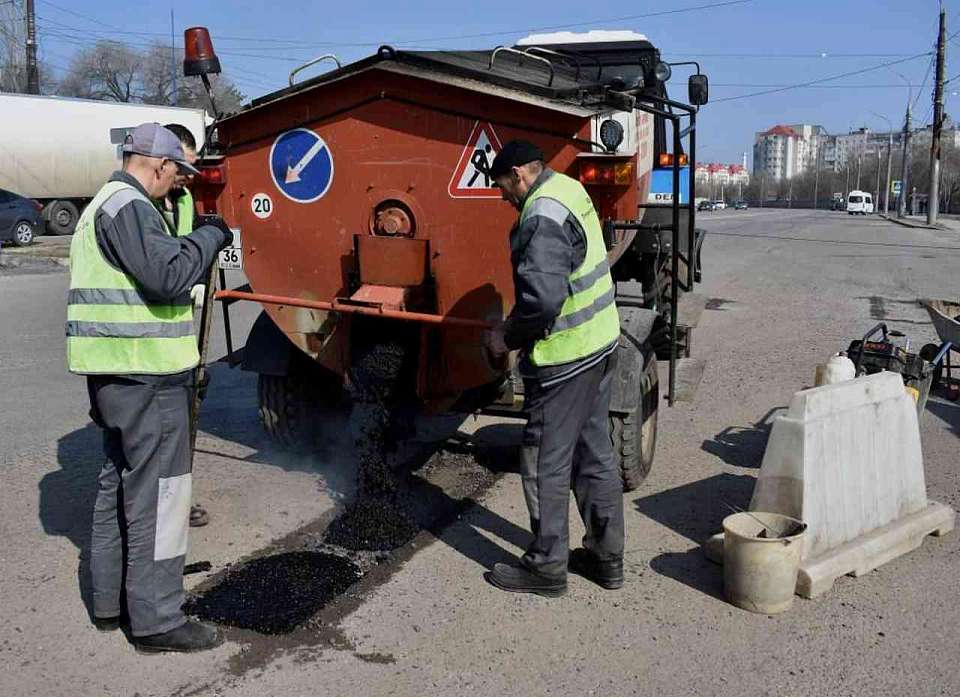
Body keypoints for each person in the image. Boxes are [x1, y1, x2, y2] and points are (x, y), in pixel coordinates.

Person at [66, 123, 233, 652]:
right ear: (158, 165)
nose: (176, 184)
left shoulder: (102, 205)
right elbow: (167, 276)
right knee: (160, 498)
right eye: (176, 173)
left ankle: (111, 605)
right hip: (148, 377)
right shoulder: (130, 206)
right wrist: (211, 234)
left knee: (117, 486)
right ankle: (158, 620)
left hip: (115, 376)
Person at [484, 140, 625, 597]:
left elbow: (543, 300)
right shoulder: (567, 187)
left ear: (519, 176)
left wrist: (505, 337)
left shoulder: (540, 215)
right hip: (601, 344)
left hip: (566, 358)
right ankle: (607, 559)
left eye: (503, 187)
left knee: (544, 461)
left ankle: (546, 568)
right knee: (595, 455)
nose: (503, 197)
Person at [162, 122, 210, 529]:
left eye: (191, 168)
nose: (186, 175)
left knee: (181, 423)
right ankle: (154, 511)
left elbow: (188, 245)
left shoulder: (184, 199)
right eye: (181, 166)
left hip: (178, 332)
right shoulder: (140, 205)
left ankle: (180, 499)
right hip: (146, 344)